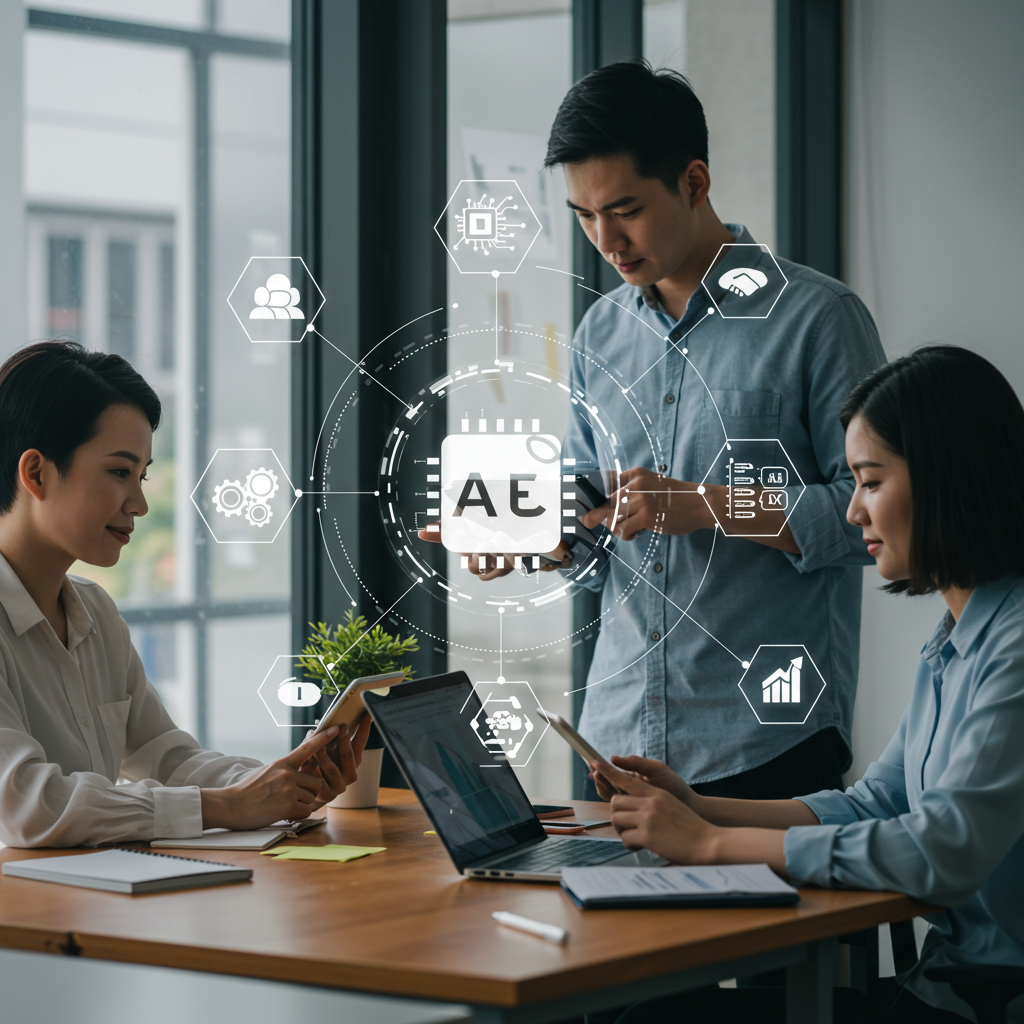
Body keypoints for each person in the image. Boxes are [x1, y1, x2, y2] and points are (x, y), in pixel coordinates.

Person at [423, 61, 884, 804]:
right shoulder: (600, 332)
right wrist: (542, 539)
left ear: (694, 183)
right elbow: (602, 540)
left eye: (625, 209)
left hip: (768, 740)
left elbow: (869, 519)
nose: (606, 239)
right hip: (617, 741)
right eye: (582, 215)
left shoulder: (818, 320)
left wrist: (706, 504)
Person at [589, 345, 1024, 1023]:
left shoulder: (1015, 645)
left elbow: (942, 851)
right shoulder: (958, 633)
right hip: (948, 983)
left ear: (947, 479)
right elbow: (882, 801)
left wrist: (708, 846)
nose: (853, 513)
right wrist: (700, 807)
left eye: (871, 482)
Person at [0, 341, 369, 848]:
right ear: (36, 473)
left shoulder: (96, 614)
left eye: (143, 475)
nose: (141, 503)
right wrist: (230, 806)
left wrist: (285, 778)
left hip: (92, 900)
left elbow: (167, 758)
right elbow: (27, 805)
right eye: (119, 472)